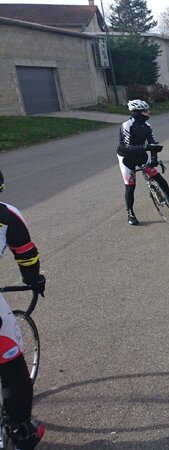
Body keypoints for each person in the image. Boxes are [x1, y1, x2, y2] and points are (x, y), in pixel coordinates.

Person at [0, 170, 46, 450]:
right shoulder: (7, 215)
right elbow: (28, 255)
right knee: (12, 366)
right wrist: (33, 281)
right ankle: (21, 430)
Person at [116, 99, 169, 225]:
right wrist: (146, 148)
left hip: (140, 155)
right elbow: (126, 147)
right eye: (145, 111)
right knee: (130, 185)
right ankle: (130, 213)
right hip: (126, 157)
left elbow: (152, 144)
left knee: (157, 176)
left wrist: (154, 158)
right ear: (136, 113)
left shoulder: (147, 126)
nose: (148, 112)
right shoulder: (127, 126)